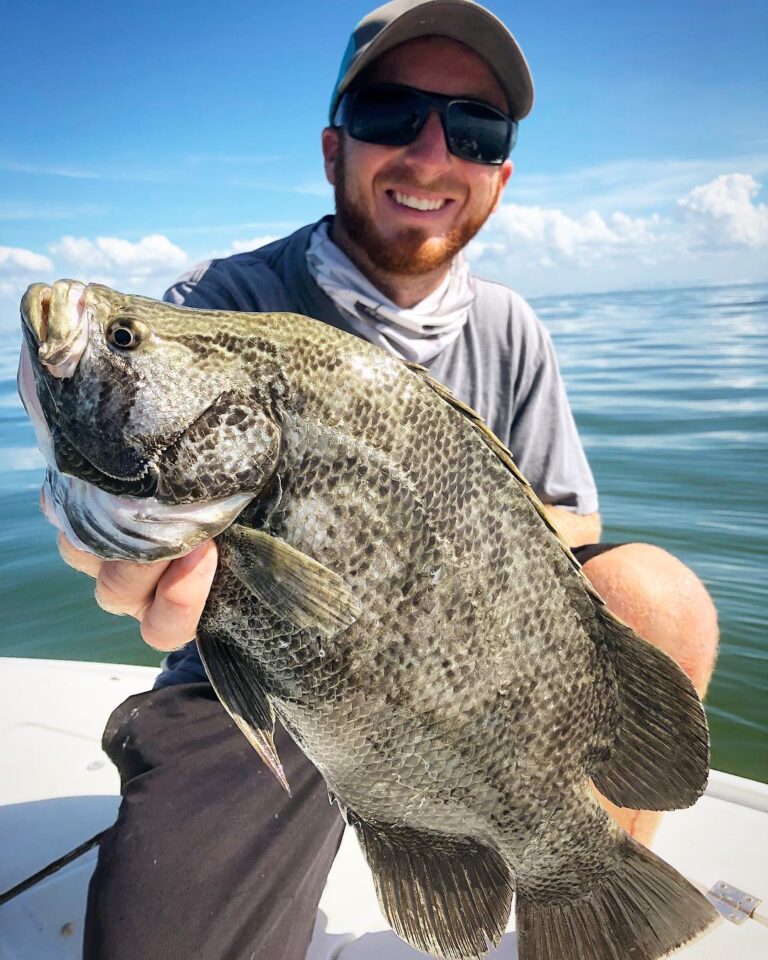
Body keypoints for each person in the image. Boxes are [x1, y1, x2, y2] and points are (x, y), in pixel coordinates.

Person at [57, 2, 719, 958]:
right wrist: (111, 547)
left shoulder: (511, 328)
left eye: (476, 130)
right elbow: (123, 506)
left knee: (658, 595)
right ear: (334, 146)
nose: (432, 152)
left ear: (501, 172)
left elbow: (571, 544)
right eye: (390, 113)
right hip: (251, 690)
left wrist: (434, 568)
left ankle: (577, 902)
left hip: (468, 688)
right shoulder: (219, 306)